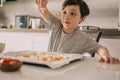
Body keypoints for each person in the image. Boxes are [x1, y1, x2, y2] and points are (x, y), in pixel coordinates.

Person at [35, 0, 119, 64]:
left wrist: (105, 55)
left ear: (82, 19)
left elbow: (100, 48)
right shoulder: (56, 24)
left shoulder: (82, 38)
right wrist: (41, 6)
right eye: (64, 12)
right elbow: (43, 10)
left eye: (73, 14)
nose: (66, 16)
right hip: (47, 65)